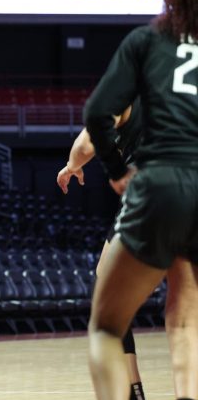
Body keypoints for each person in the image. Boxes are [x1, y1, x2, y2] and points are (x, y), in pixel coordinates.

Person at [83, 0, 198, 399]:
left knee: (106, 326)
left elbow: (97, 115)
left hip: (160, 183)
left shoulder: (146, 41)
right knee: (186, 320)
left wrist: (115, 172)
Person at [57, 105, 147, 400]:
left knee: (106, 291)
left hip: (148, 193)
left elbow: (85, 144)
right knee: (185, 309)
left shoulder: (125, 89)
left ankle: (131, 392)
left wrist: (72, 165)